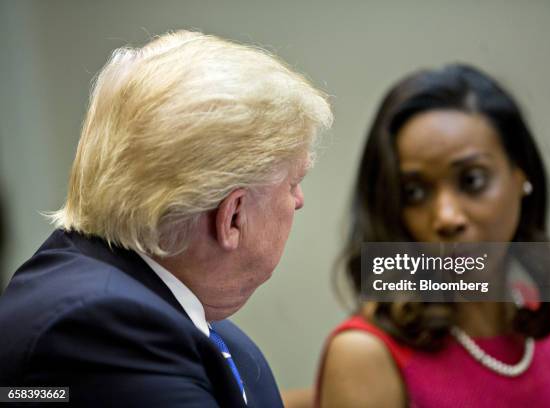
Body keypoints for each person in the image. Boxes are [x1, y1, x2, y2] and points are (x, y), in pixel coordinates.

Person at [0, 30, 332, 407]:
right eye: (294, 182)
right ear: (233, 216)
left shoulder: (211, 335)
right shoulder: (100, 330)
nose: (298, 201)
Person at [316, 64, 550, 407]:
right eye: (414, 192)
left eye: (471, 181)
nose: (447, 217)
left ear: (520, 177)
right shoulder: (366, 355)